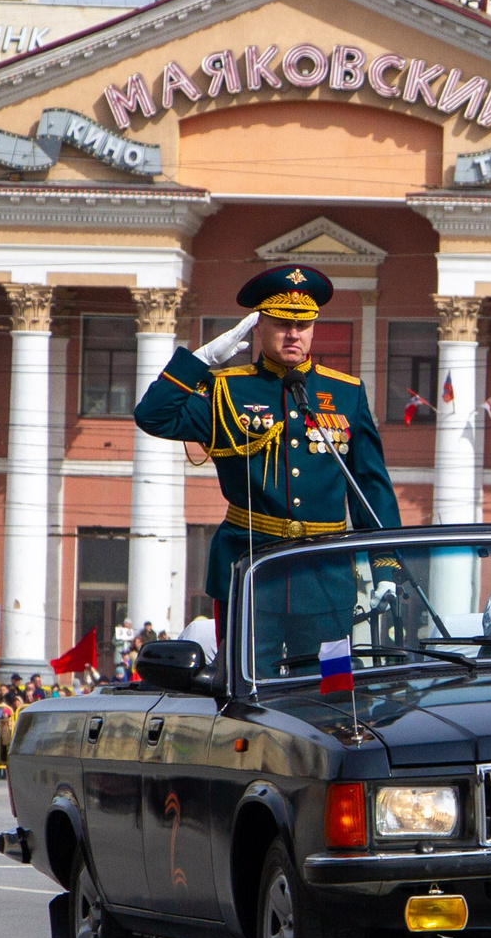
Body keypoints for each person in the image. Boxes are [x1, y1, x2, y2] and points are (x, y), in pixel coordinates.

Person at [134, 263, 402, 675]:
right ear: (258, 325)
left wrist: (385, 565)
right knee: (245, 685)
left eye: (304, 324)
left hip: (325, 576)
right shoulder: (227, 389)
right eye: (281, 323)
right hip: (249, 569)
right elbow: (153, 416)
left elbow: (370, 485)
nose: (294, 334)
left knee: (331, 685)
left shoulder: (346, 393)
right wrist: (200, 361)